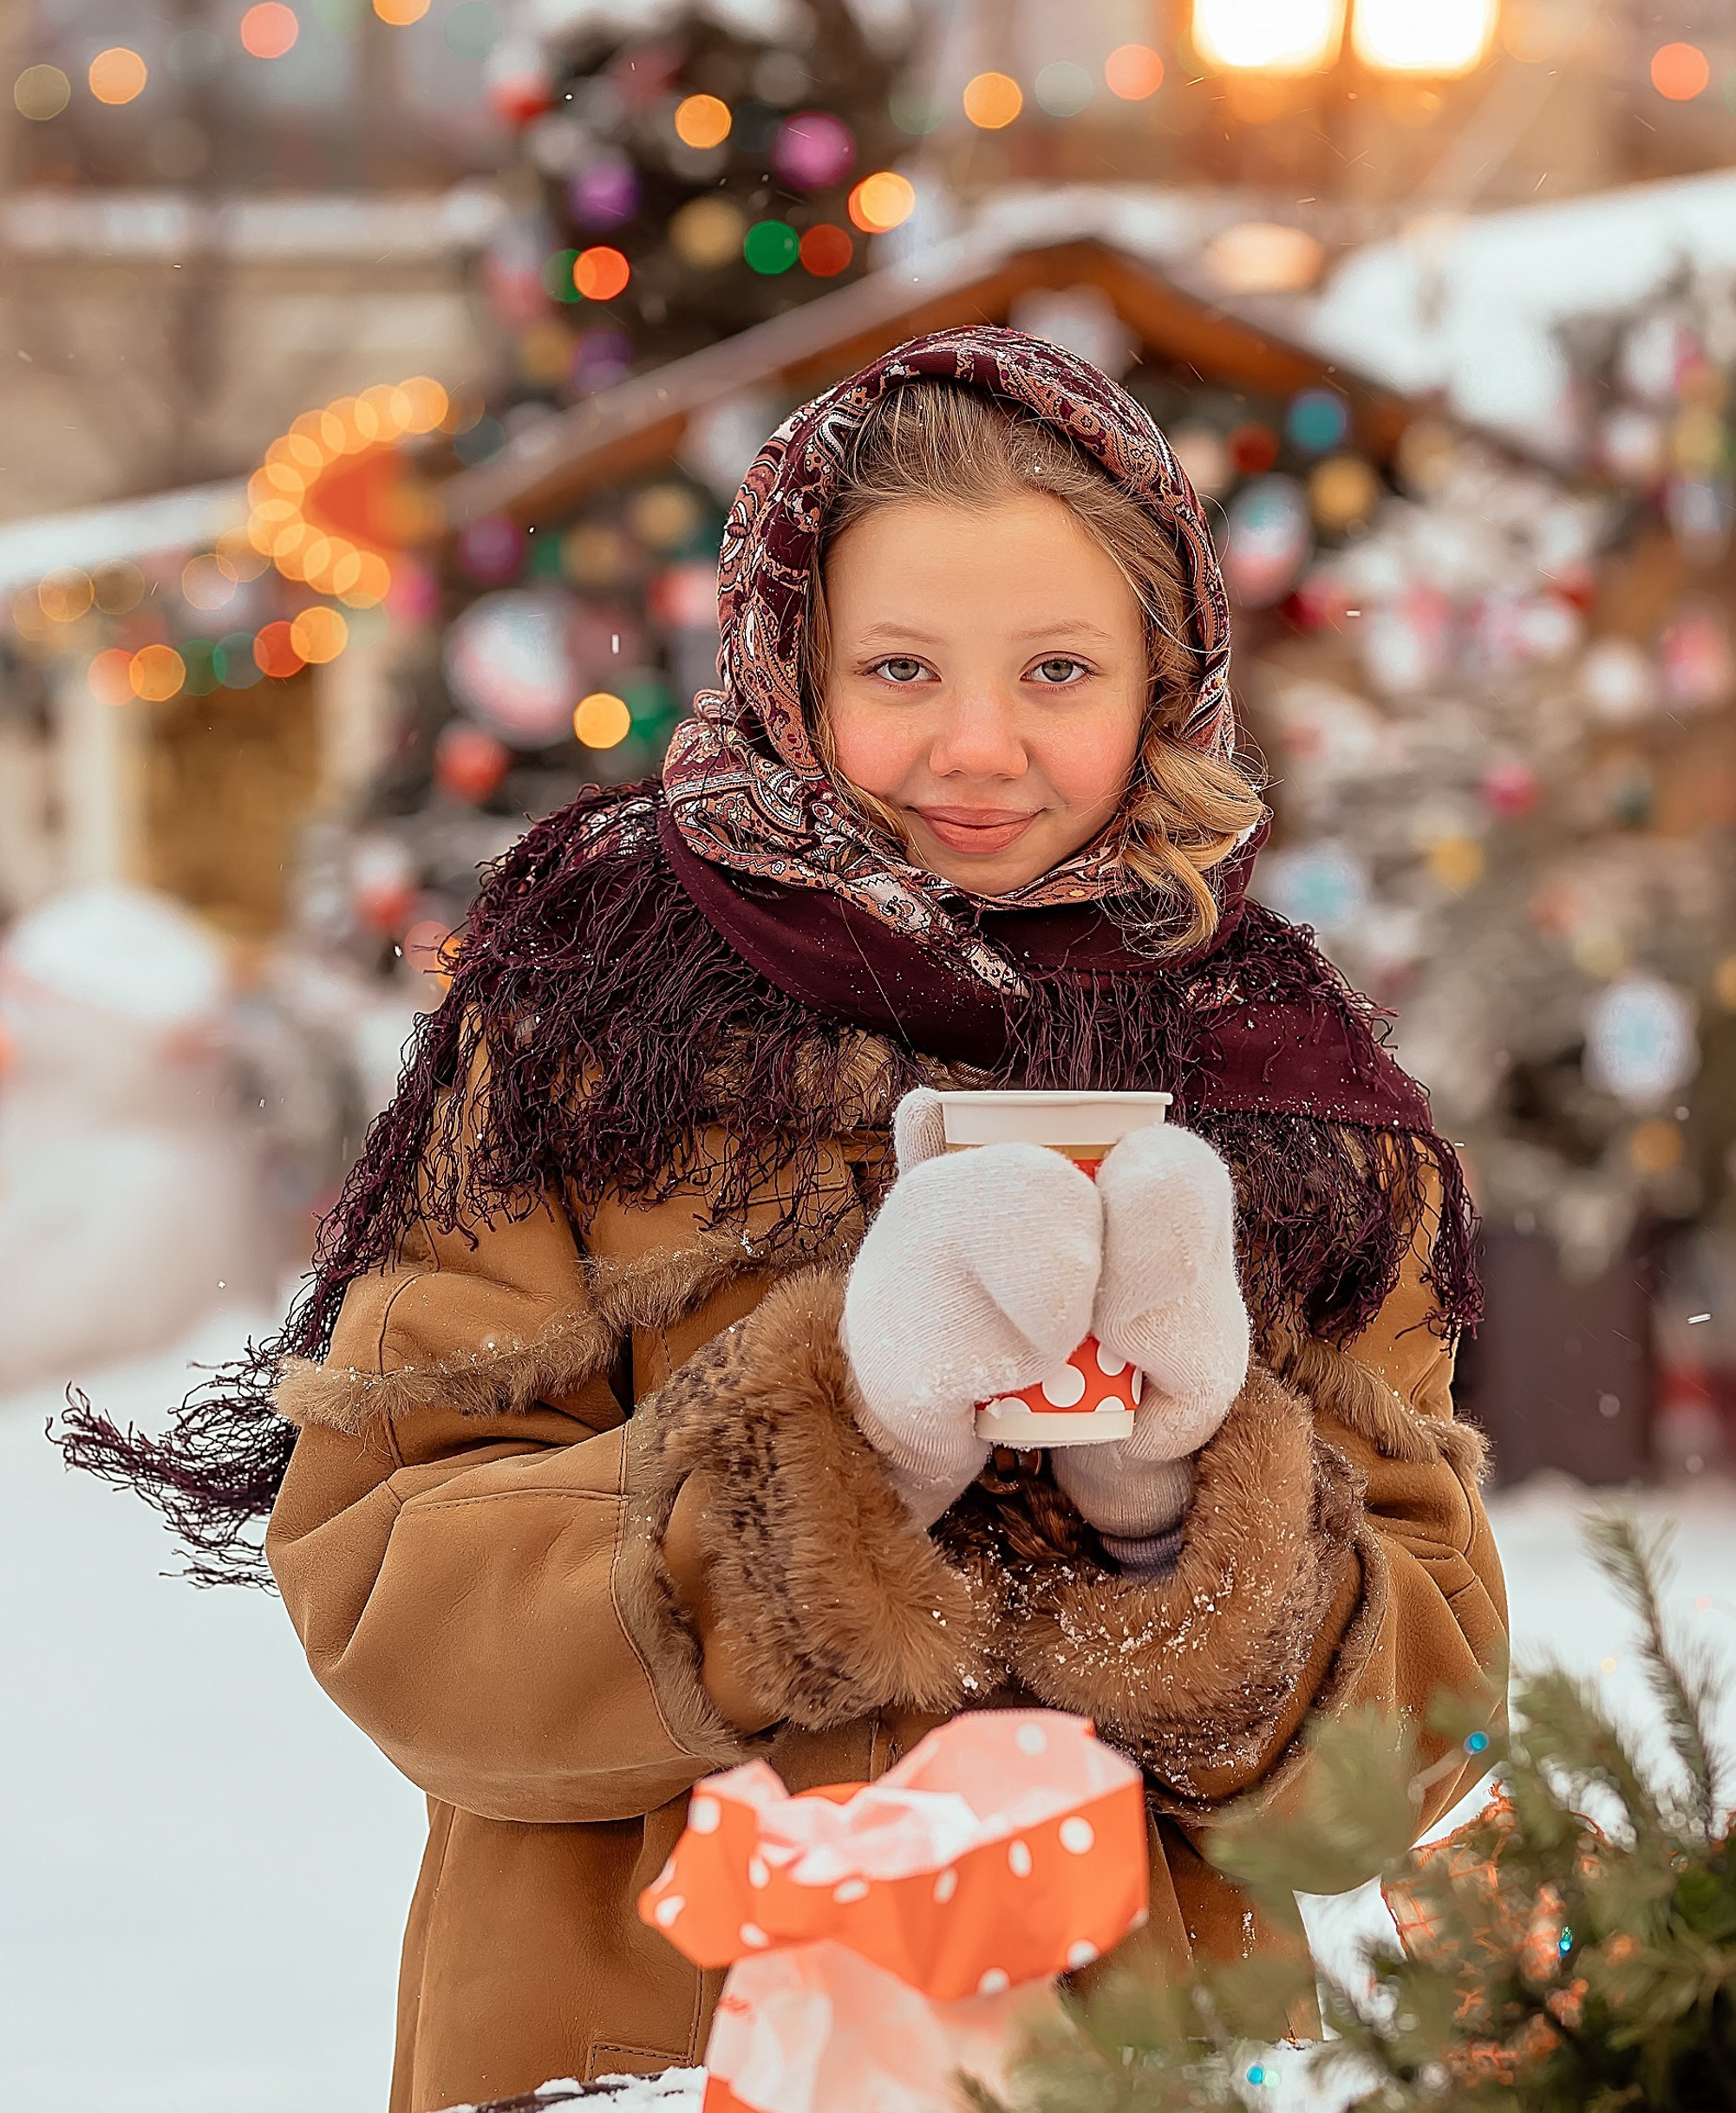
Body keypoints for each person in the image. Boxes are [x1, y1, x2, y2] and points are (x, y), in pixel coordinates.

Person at [78, 329, 1506, 2113]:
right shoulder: (593, 1023)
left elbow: (1427, 1719)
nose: (976, 745)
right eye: (898, 666)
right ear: (791, 663)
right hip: (645, 2041)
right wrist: (839, 1449)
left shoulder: (1293, 1101)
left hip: (1117, 2053)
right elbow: (390, 1586)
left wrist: (1182, 1511)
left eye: (1056, 667)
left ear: (1166, 675)